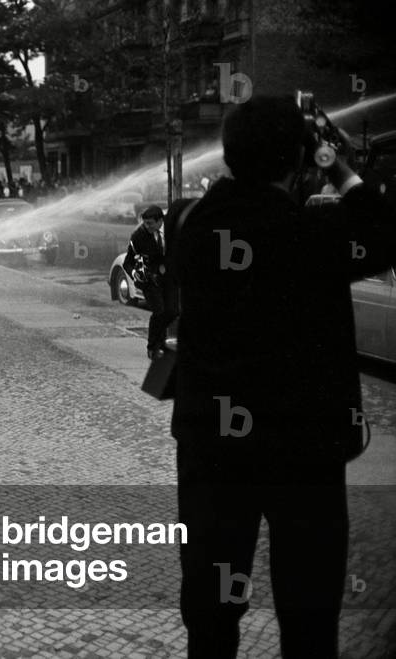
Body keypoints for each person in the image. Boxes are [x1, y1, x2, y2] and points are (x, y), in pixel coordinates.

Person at [171, 95, 396, 659]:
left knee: (212, 609)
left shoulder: (189, 223)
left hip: (213, 448)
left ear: (227, 153)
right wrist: (337, 164)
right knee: (309, 611)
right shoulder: (315, 235)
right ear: (299, 156)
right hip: (305, 452)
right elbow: (384, 229)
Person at [124, 205, 176, 359]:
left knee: (173, 312)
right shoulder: (138, 236)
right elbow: (128, 262)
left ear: (161, 221)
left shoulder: (172, 230)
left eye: (150, 223)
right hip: (149, 280)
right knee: (159, 311)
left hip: (169, 278)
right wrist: (135, 273)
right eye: (145, 223)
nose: (147, 227)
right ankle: (153, 347)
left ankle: (159, 340)